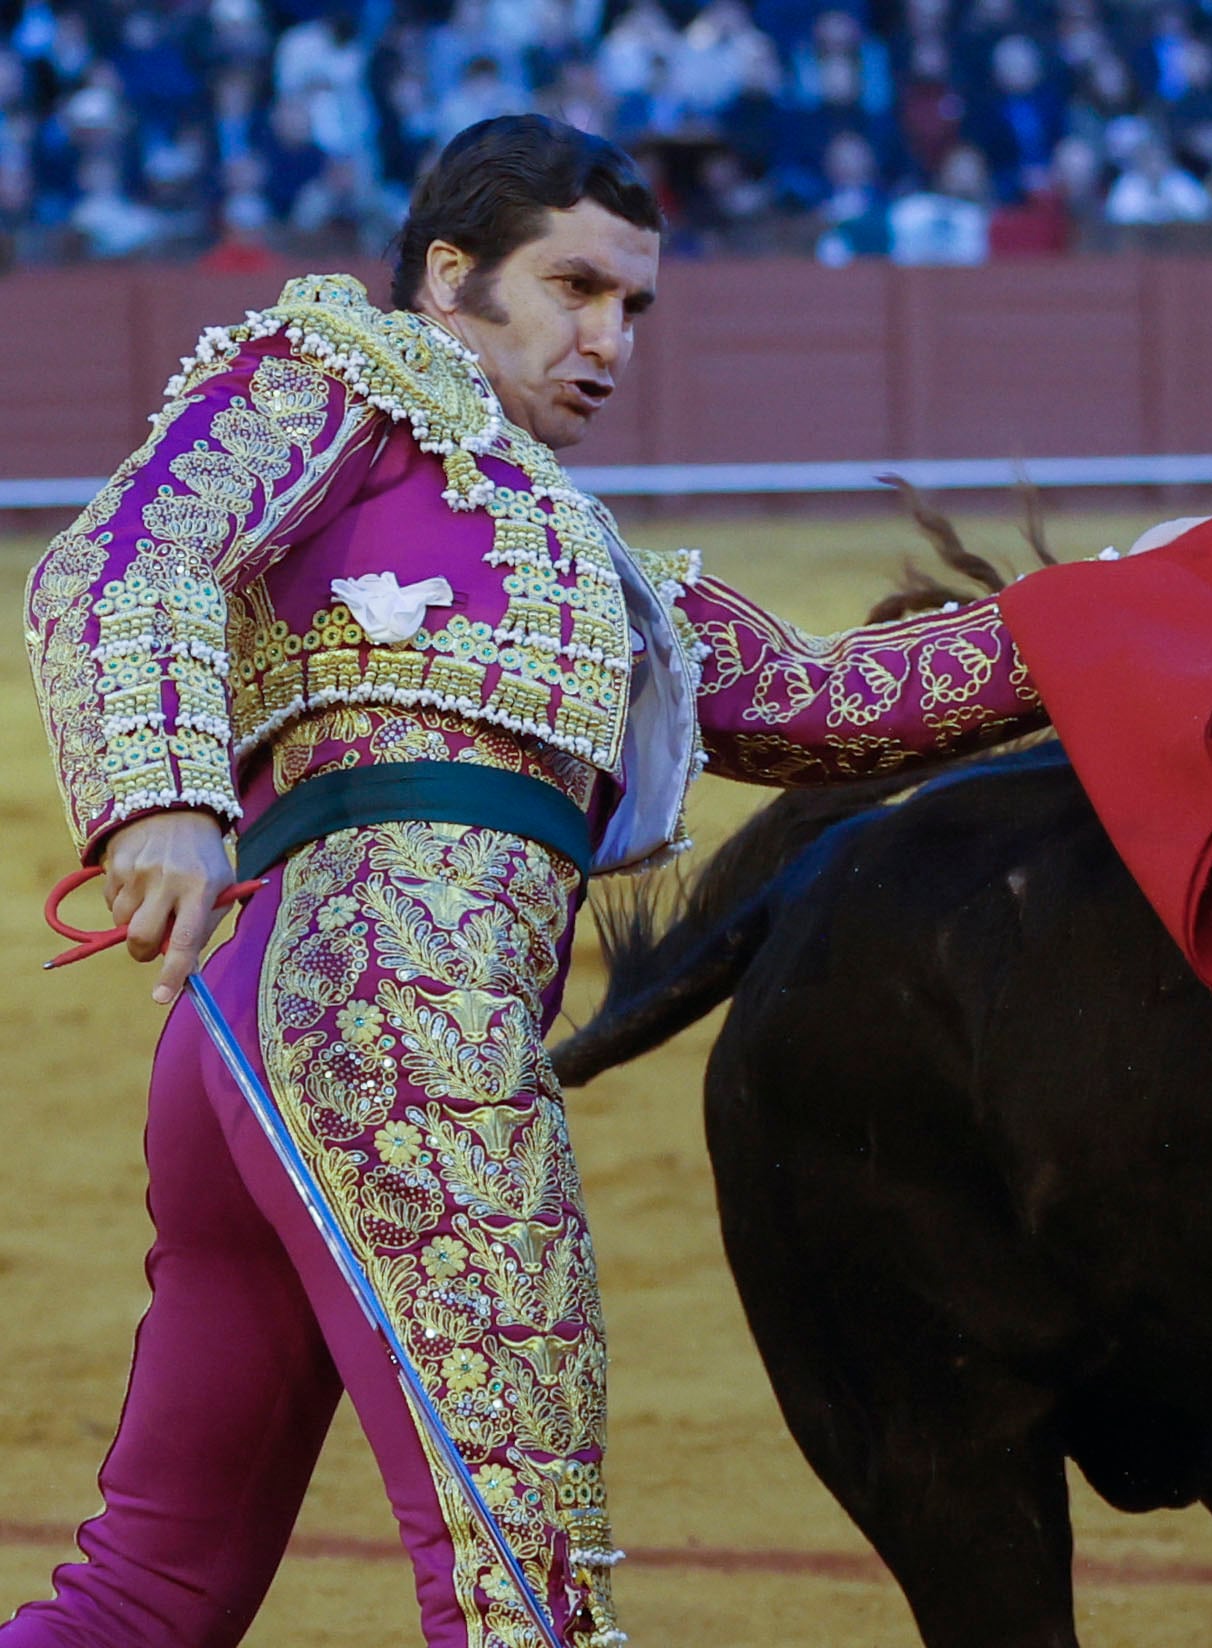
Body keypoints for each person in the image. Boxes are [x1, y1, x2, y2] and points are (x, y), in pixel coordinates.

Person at [10, 113, 1048, 1648]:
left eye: (632, 306)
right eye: (573, 288)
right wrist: (157, 798)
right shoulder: (338, 384)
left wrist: (1142, 609)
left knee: (154, 1587)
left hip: (273, 1043)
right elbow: (125, 559)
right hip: (391, 1020)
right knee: (526, 1591)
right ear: (450, 274)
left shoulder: (592, 561)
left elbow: (831, 703)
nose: (608, 338)